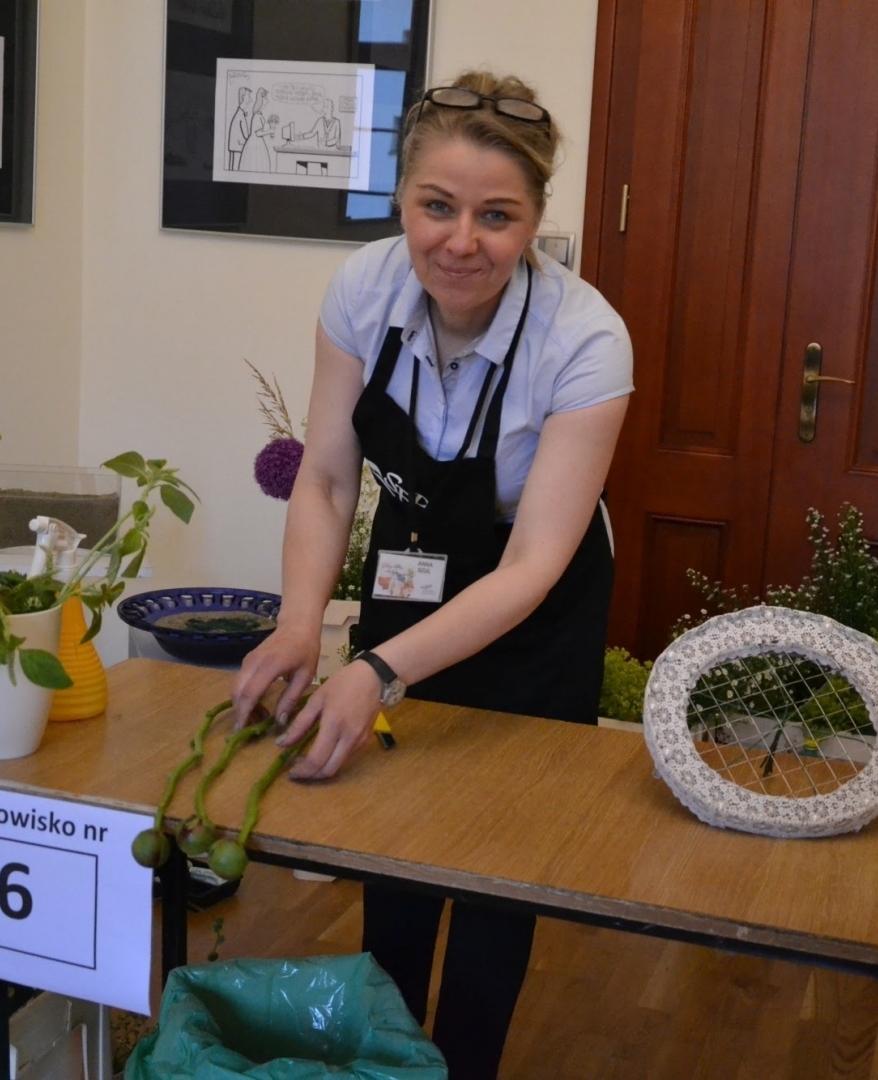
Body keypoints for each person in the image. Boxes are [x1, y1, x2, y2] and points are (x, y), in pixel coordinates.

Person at [232, 70, 632, 1079]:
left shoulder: (584, 339)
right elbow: (324, 478)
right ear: (402, 200)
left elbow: (536, 561)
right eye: (437, 207)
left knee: (504, 860)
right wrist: (298, 627)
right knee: (394, 834)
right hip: (412, 563)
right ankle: (389, 1056)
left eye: (498, 217)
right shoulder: (363, 291)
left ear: (536, 220)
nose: (462, 241)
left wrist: (372, 672)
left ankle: (467, 1064)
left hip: (537, 604)